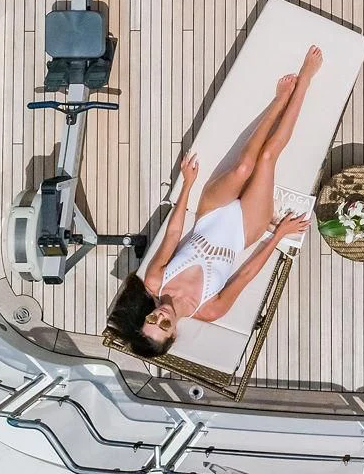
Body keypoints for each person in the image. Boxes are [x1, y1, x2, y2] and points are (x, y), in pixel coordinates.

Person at [107, 46, 321, 358]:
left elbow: (173, 233)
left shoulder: (155, 281)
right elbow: (245, 274)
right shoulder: (210, 310)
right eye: (164, 326)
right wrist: (278, 234)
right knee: (267, 157)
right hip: (244, 232)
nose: (161, 316)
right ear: (175, 334)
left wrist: (188, 186)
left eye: (152, 319)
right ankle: (305, 82)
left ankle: (278, 102)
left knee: (244, 168)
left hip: (210, 214)